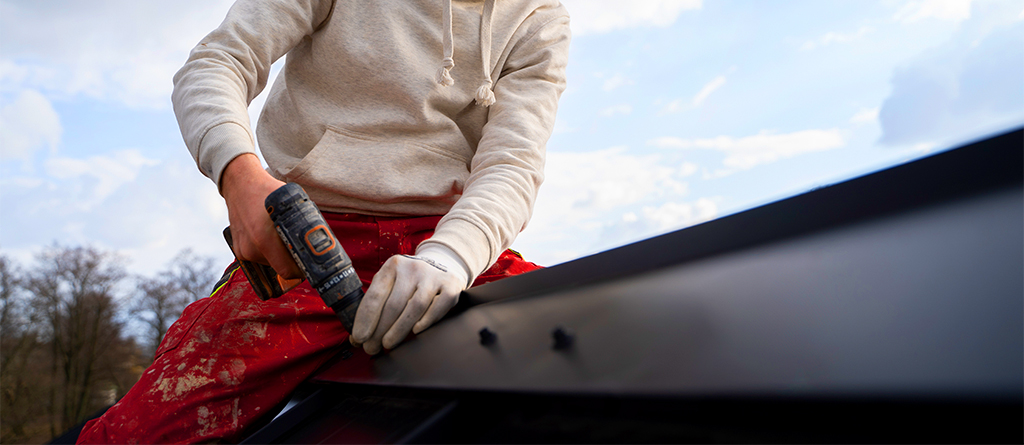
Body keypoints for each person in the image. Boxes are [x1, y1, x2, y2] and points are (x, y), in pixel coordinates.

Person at [76, 0, 569, 442]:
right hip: (308, 241)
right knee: (139, 434)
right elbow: (217, 62)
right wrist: (240, 178)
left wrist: (450, 259)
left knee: (584, 361)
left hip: (444, 251)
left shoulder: (538, 18)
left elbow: (512, 165)